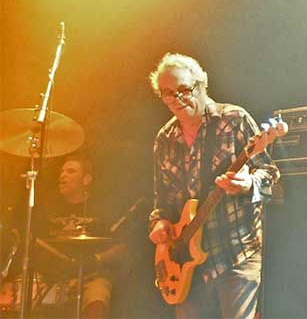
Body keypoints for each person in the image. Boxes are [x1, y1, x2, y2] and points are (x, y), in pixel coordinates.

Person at [148, 52, 279, 319]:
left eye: (184, 89)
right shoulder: (165, 139)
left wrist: (249, 184)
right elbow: (160, 203)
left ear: (202, 85)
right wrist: (159, 224)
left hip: (235, 253)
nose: (177, 99)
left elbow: (271, 176)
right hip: (185, 264)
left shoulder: (234, 120)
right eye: (168, 93)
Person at [34, 153, 127, 319]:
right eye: (62, 172)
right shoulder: (48, 208)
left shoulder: (103, 209)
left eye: (71, 171)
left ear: (86, 179)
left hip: (90, 277)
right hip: (50, 276)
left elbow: (121, 248)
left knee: (98, 294)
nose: (63, 176)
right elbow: (35, 244)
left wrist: (96, 259)